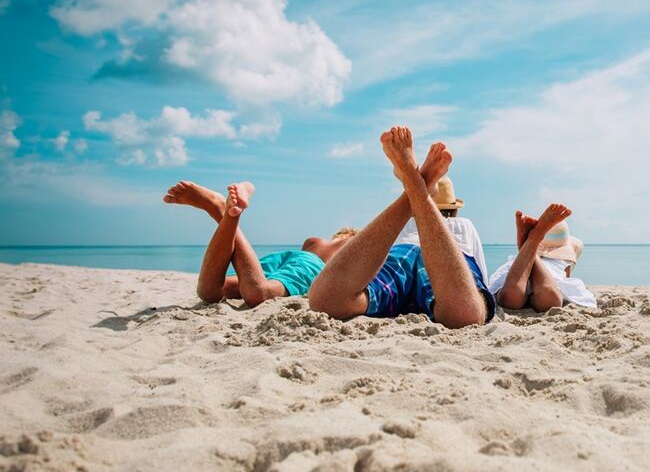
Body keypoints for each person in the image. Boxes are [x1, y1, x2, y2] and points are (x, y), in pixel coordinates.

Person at [308, 126, 495, 328]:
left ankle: (412, 185)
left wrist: (414, 193)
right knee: (465, 315)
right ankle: (416, 184)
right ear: (454, 210)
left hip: (402, 253)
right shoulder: (463, 224)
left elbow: (378, 253)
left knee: (327, 301)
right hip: (447, 260)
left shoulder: (402, 221)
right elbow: (481, 279)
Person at [163, 180, 353, 307]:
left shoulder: (314, 242)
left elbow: (290, 268)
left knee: (210, 292)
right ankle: (220, 211)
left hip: (283, 259)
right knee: (259, 293)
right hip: (313, 266)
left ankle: (220, 209)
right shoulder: (349, 243)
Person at [489, 205, 597, 310]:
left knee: (509, 298)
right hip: (549, 276)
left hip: (519, 268)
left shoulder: (516, 261)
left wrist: (525, 250)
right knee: (551, 301)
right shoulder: (563, 261)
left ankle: (530, 244)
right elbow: (566, 279)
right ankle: (533, 241)